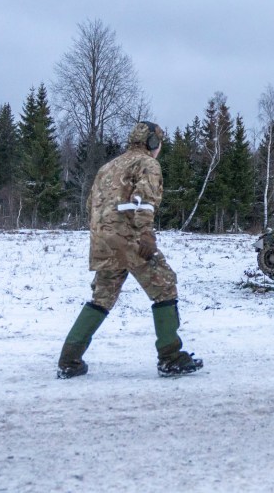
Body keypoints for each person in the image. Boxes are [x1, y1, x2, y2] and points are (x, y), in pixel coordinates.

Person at [57, 121, 203, 378]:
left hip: (102, 241)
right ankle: (170, 357)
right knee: (165, 285)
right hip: (131, 239)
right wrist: (145, 233)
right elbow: (145, 200)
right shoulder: (148, 164)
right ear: (153, 143)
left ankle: (69, 360)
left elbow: (91, 203)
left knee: (102, 297)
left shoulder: (107, 167)